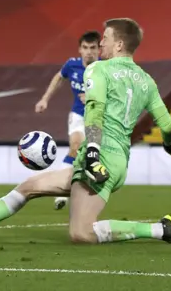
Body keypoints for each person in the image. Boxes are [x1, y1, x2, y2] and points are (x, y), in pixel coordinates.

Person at [0, 18, 171, 245]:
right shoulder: (147, 81)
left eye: (105, 39)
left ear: (118, 45)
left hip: (98, 158)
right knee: (29, 187)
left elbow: (94, 111)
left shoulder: (99, 69)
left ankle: (160, 229)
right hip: (117, 161)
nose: (101, 44)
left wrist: (92, 152)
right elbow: (168, 125)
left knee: (82, 234)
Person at [35, 31, 101, 210]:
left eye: (93, 48)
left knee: (90, 156)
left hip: (99, 118)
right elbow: (58, 77)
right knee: (75, 146)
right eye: (85, 48)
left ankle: (83, 189)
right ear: (80, 49)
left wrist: (93, 97)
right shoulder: (72, 65)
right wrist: (45, 99)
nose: (89, 52)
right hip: (79, 115)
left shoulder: (105, 69)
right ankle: (61, 191)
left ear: (99, 50)